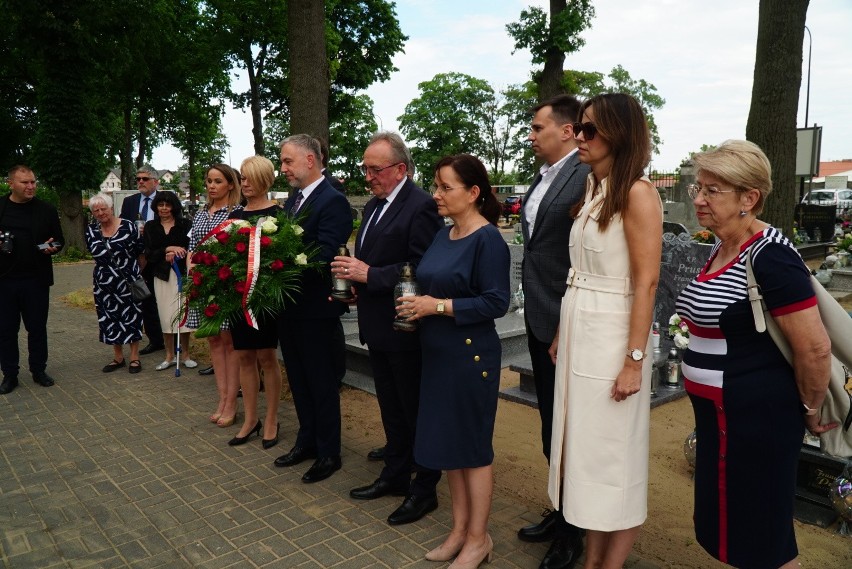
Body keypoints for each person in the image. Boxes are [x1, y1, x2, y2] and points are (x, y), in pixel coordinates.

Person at [675, 140, 834, 569]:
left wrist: (809, 406)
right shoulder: (722, 246)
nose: (700, 199)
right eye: (698, 187)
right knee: (739, 533)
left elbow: (815, 348)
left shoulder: (772, 256)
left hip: (755, 423)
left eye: (713, 190)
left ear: (749, 198)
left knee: (764, 540)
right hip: (723, 424)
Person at [547, 93, 662, 569]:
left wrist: (633, 361)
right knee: (585, 456)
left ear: (619, 134)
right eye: (578, 126)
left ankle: (608, 566)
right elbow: (580, 271)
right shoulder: (596, 188)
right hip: (580, 332)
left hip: (614, 339)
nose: (578, 135)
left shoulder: (637, 192)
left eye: (589, 129)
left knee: (614, 459)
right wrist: (561, 331)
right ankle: (591, 560)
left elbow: (646, 280)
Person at [398, 154, 510, 568]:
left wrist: (437, 306)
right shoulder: (444, 235)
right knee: (450, 447)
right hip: (438, 355)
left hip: (470, 356)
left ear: (474, 192)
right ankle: (460, 531)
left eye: (446, 187)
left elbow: (497, 301)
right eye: (436, 186)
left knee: (473, 451)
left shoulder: (489, 240)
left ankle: (479, 540)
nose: (436, 195)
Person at [331, 132, 444, 524]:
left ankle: (422, 487)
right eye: (365, 168)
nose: (367, 176)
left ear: (400, 169)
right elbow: (378, 259)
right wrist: (356, 289)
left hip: (404, 327)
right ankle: (397, 471)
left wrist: (370, 274)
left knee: (413, 410)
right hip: (377, 323)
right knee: (392, 408)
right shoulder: (377, 205)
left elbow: (423, 266)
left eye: (374, 169)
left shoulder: (421, 206)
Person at [518, 94, 591, 569]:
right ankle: (561, 509)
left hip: (568, 320)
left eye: (539, 127)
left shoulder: (586, 177)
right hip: (539, 317)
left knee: (570, 428)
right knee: (550, 424)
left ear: (567, 130)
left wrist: (566, 321)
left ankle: (574, 532)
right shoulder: (542, 178)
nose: (531, 134)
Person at [273, 134, 352, 483]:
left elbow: (326, 253)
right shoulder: (293, 201)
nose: (283, 168)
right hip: (291, 307)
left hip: (317, 310)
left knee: (320, 382)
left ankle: (329, 452)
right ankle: (307, 441)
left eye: (288, 161)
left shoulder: (332, 200)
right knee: (300, 380)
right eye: (282, 161)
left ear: (310, 160)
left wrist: (282, 265)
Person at [226, 155, 284, 449]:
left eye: (248, 178)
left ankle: (272, 418)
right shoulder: (234, 216)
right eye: (241, 178)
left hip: (265, 301)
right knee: (245, 357)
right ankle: (251, 419)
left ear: (262, 179)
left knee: (266, 357)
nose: (243, 183)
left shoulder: (279, 215)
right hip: (239, 299)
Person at [0, 165, 64, 394]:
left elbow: (59, 241)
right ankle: (10, 374)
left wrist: (49, 247)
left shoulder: (45, 209)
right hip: (4, 281)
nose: (31, 186)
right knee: (6, 330)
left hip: (36, 280)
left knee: (36, 328)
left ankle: (38, 370)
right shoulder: (1, 207)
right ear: (11, 184)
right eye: (25, 182)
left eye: (33, 182)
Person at [188, 164, 242, 427]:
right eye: (208, 180)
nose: (211, 186)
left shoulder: (237, 213)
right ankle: (221, 398)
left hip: (225, 284)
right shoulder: (200, 214)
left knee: (229, 342)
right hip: (202, 284)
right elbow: (192, 247)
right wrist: (191, 268)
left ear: (230, 184)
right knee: (213, 340)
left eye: (218, 181)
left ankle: (232, 401)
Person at [86, 193, 145, 374]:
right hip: (104, 284)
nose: (101, 213)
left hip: (128, 281)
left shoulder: (128, 226)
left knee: (132, 317)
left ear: (111, 208)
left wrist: (136, 274)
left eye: (104, 209)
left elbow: (141, 253)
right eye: (96, 210)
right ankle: (118, 357)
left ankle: (134, 357)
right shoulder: (91, 230)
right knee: (110, 319)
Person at [142, 191, 196, 371]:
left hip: (182, 274)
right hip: (162, 276)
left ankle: (186, 354)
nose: (164, 208)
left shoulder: (185, 224)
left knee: (183, 314)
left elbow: (191, 247)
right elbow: (149, 253)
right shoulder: (150, 227)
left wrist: (178, 252)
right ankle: (169, 355)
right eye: (160, 205)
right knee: (166, 315)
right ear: (156, 207)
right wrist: (167, 249)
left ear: (173, 206)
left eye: (167, 205)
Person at [119, 166, 165, 355]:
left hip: (160, 257)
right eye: (138, 179)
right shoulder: (130, 202)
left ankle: (173, 338)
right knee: (145, 299)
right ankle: (155, 340)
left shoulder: (165, 200)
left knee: (163, 299)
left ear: (155, 181)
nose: (140, 182)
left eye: (145, 179)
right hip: (137, 258)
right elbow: (122, 226)